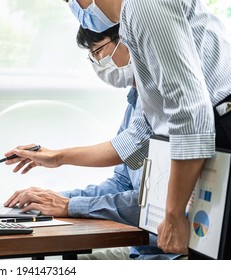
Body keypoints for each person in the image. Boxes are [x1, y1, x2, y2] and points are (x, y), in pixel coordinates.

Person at [59, 0, 231, 257]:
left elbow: (191, 112)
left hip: (223, 127)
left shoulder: (142, 5)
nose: (74, 6)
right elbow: (139, 137)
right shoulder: (133, 20)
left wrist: (173, 214)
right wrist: (57, 158)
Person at [3, 24, 179, 260]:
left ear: (128, 41)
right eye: (92, 56)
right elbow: (122, 182)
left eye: (98, 52)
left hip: (163, 254)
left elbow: (151, 203)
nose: (97, 63)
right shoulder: (136, 103)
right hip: (141, 249)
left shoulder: (172, 104)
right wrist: (54, 199)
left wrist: (69, 204)